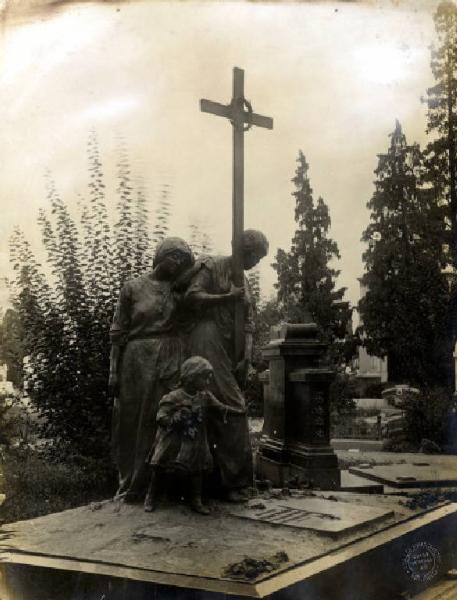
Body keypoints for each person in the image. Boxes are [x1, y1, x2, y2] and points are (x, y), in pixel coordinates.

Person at [184, 229, 269, 502]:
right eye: (255, 255)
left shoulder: (243, 280)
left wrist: (246, 356)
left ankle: (217, 481)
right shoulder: (213, 265)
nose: (256, 262)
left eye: (259, 257)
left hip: (230, 350)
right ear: (244, 249)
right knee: (233, 407)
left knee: (217, 407)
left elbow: (248, 323)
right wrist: (226, 298)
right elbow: (192, 297)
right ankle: (234, 483)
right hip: (206, 339)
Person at [109, 237, 195, 502]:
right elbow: (117, 332)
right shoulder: (133, 287)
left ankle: (162, 488)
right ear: (161, 255)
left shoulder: (181, 291)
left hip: (170, 355)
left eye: (183, 260)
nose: (177, 263)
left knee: (162, 418)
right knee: (131, 420)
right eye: (174, 256)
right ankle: (132, 485)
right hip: (136, 358)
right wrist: (113, 371)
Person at [144, 356, 244, 514]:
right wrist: (174, 418)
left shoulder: (204, 396)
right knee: (161, 466)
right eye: (205, 377)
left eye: (209, 377)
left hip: (195, 440)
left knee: (197, 469)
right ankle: (151, 496)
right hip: (173, 439)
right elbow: (160, 417)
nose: (208, 381)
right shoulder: (173, 397)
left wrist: (238, 412)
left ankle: (196, 500)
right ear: (191, 377)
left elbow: (220, 407)